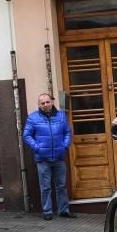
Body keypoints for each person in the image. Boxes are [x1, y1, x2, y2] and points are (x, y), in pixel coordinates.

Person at [23, 92, 76, 220]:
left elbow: (67, 133)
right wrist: (37, 148)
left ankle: (64, 210)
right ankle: (47, 211)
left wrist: (65, 146)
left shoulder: (61, 116)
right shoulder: (32, 118)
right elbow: (27, 135)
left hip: (59, 157)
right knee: (45, 187)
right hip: (42, 158)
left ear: (52, 102)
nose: (46, 105)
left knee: (61, 185)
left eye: (47, 102)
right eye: (42, 103)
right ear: (39, 105)